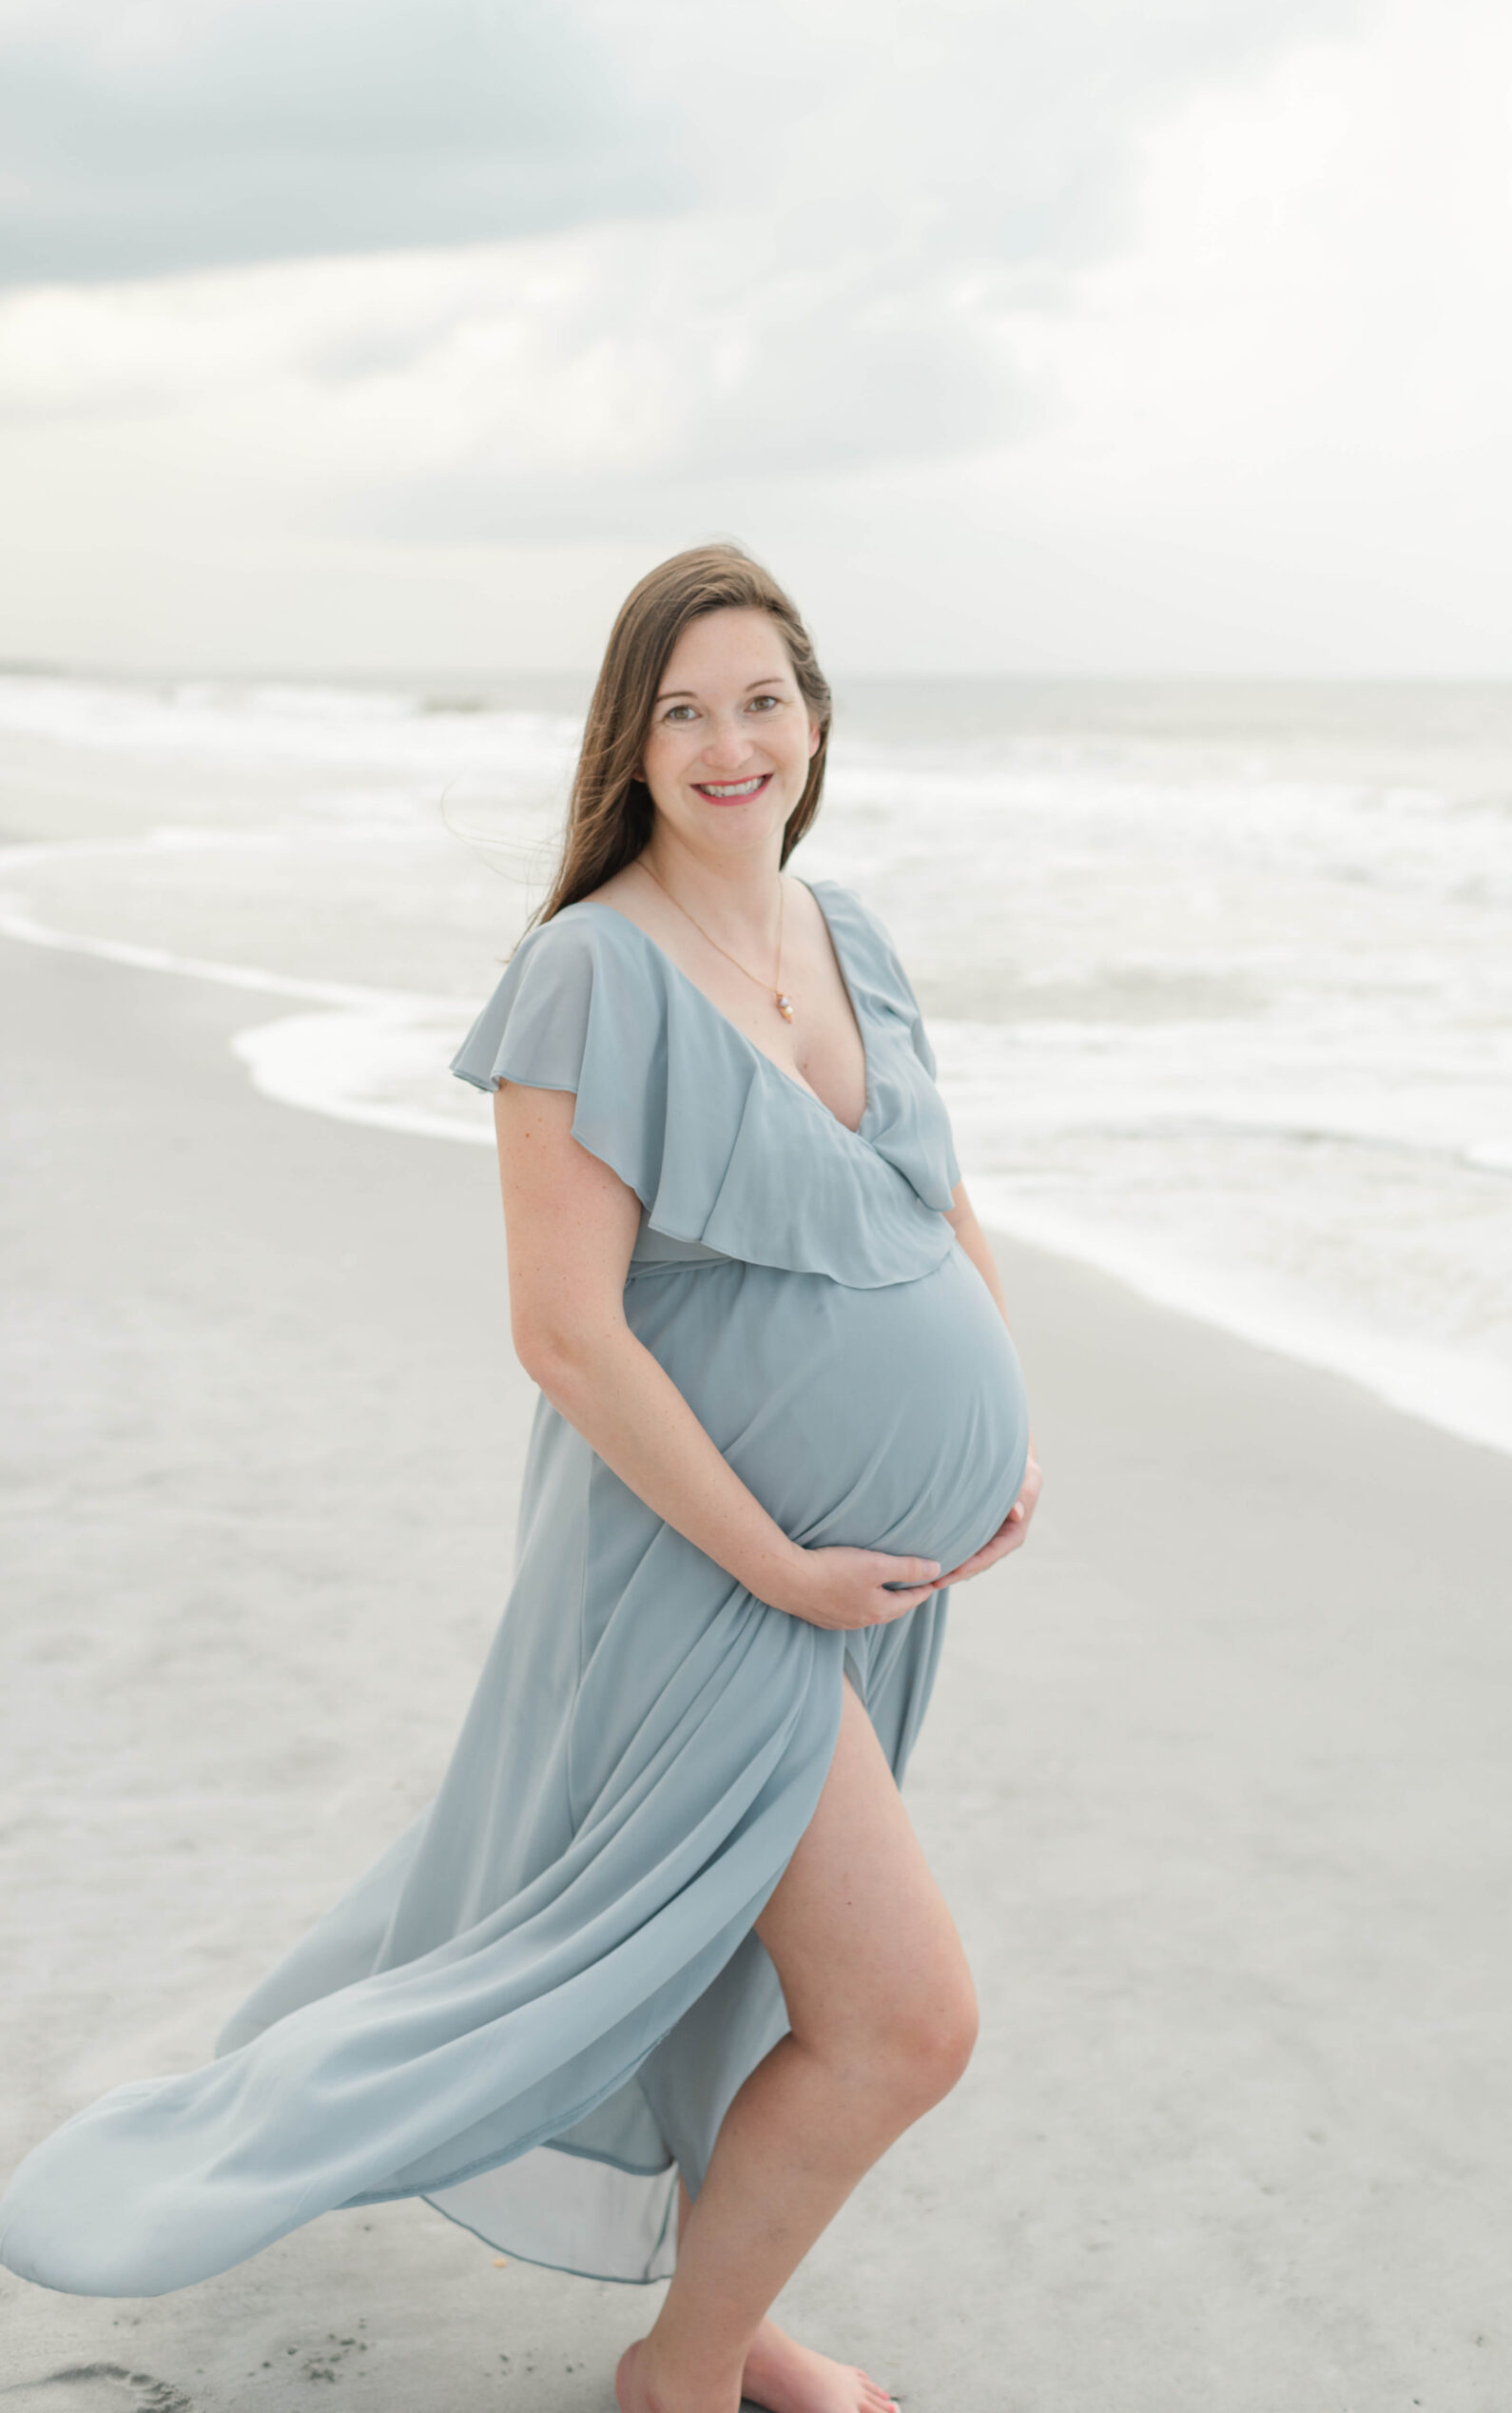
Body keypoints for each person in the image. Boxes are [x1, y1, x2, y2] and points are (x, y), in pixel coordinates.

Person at [0, 544, 1042, 2413]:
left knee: (752, 1970)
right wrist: (780, 1567)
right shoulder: (585, 973)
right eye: (685, 710)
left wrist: (1004, 1409)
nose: (733, 742)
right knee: (908, 2016)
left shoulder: (845, 928)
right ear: (628, 745)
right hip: (709, 1582)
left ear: (815, 716)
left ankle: (738, 2334)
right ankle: (682, 2370)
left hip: (854, 1579)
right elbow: (565, 1334)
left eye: (763, 699)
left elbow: (931, 1187)